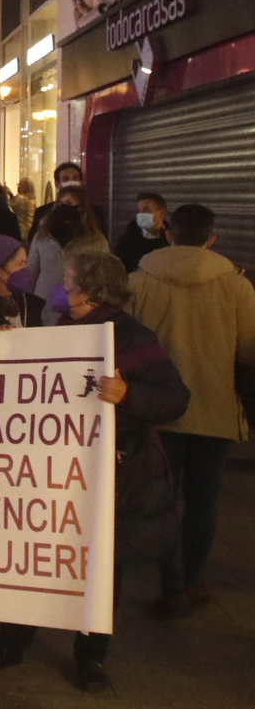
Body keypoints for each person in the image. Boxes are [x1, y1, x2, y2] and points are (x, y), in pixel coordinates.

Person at [0, 250, 189, 692]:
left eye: (66, 277)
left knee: (100, 567)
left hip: (112, 474)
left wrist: (128, 393)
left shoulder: (132, 337)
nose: (58, 282)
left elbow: (175, 399)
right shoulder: (66, 327)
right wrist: (10, 351)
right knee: (31, 558)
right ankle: (11, 642)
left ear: (88, 288)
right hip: (54, 470)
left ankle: (90, 657)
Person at [127, 204, 255, 619]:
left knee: (163, 497)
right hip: (214, 408)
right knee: (204, 499)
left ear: (168, 234)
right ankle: (194, 578)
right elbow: (250, 349)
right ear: (211, 238)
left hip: (157, 409)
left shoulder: (139, 281)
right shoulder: (237, 287)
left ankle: (172, 584)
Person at [27, 191, 108, 326]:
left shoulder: (95, 240)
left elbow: (104, 275)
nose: (63, 207)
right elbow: (31, 270)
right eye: (60, 203)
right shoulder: (42, 236)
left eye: (69, 203)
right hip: (44, 305)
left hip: (79, 308)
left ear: (81, 208)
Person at [30, 162, 106, 235]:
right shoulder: (43, 212)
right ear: (57, 184)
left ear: (81, 182)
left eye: (75, 178)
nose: (71, 182)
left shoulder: (95, 212)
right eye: (66, 179)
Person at [113, 192, 169, 273]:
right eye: (139, 211)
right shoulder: (126, 242)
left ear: (162, 214)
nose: (141, 215)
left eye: (146, 210)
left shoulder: (171, 240)